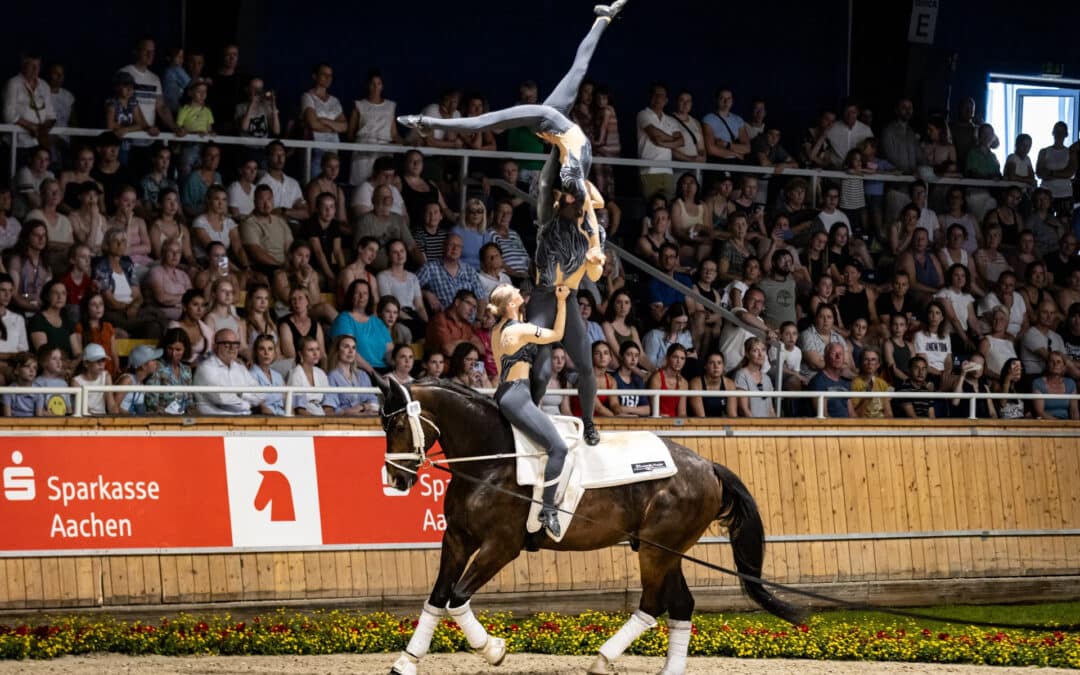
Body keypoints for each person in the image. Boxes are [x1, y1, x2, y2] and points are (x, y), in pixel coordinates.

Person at [488, 283, 572, 537]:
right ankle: (548, 510)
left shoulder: (496, 329)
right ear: (511, 304)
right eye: (514, 291)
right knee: (558, 448)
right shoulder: (521, 330)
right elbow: (557, 333)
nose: (517, 291)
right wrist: (561, 301)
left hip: (505, 392)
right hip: (518, 396)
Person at [193, 329, 273, 415]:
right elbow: (221, 398)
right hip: (215, 422)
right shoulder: (206, 368)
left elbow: (261, 394)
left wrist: (241, 393)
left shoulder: (240, 368)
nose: (232, 348)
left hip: (244, 419)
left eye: (235, 344)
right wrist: (247, 401)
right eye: (226, 344)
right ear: (215, 347)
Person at [324, 334, 379, 416]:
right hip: (344, 422)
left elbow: (374, 402)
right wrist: (348, 411)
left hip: (367, 419)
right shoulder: (332, 376)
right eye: (346, 347)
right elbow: (330, 410)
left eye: (353, 347)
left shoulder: (363, 375)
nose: (351, 351)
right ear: (337, 351)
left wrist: (362, 407)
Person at [144, 327, 193, 415]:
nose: (173, 354)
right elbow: (151, 401)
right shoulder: (157, 367)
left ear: (185, 350)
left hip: (183, 418)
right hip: (162, 418)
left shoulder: (187, 370)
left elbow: (189, 400)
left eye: (178, 350)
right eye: (170, 348)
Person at [288, 335, 331, 416]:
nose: (315, 353)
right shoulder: (296, 374)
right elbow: (299, 410)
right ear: (301, 353)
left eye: (317, 349)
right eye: (310, 350)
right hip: (304, 419)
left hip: (321, 415)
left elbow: (328, 403)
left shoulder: (321, 373)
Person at [734, 337, 775, 418]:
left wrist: (775, 427)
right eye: (755, 350)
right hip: (750, 427)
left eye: (763, 350)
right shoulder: (741, 375)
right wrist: (757, 426)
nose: (760, 354)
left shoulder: (767, 378)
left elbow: (771, 410)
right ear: (747, 354)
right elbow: (744, 409)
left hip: (766, 428)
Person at [689, 351, 737, 418]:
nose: (716, 366)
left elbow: (732, 416)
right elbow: (701, 417)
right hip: (700, 425)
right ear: (705, 366)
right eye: (711, 363)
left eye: (719, 363)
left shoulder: (729, 384)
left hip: (721, 424)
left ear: (723, 366)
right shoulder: (696, 383)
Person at [73, 343, 117, 416]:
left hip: (101, 421)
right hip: (84, 422)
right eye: (97, 360)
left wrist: (117, 421)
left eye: (103, 360)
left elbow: (111, 405)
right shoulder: (76, 381)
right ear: (86, 363)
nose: (101, 364)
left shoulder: (106, 376)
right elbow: (84, 410)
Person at [851, 347, 892, 419]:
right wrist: (867, 397)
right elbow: (855, 416)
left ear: (878, 364)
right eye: (866, 359)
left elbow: (888, 413)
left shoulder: (882, 383)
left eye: (873, 359)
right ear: (861, 363)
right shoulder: (854, 384)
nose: (870, 363)